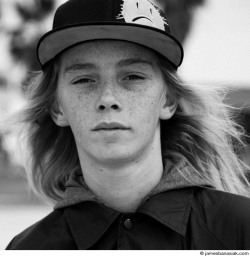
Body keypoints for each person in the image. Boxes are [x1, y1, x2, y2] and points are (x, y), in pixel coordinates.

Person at [6, 0, 250, 250]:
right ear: (57, 108)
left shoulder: (240, 228)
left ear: (168, 100)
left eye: (133, 76)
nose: (108, 99)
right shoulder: (28, 249)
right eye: (84, 79)